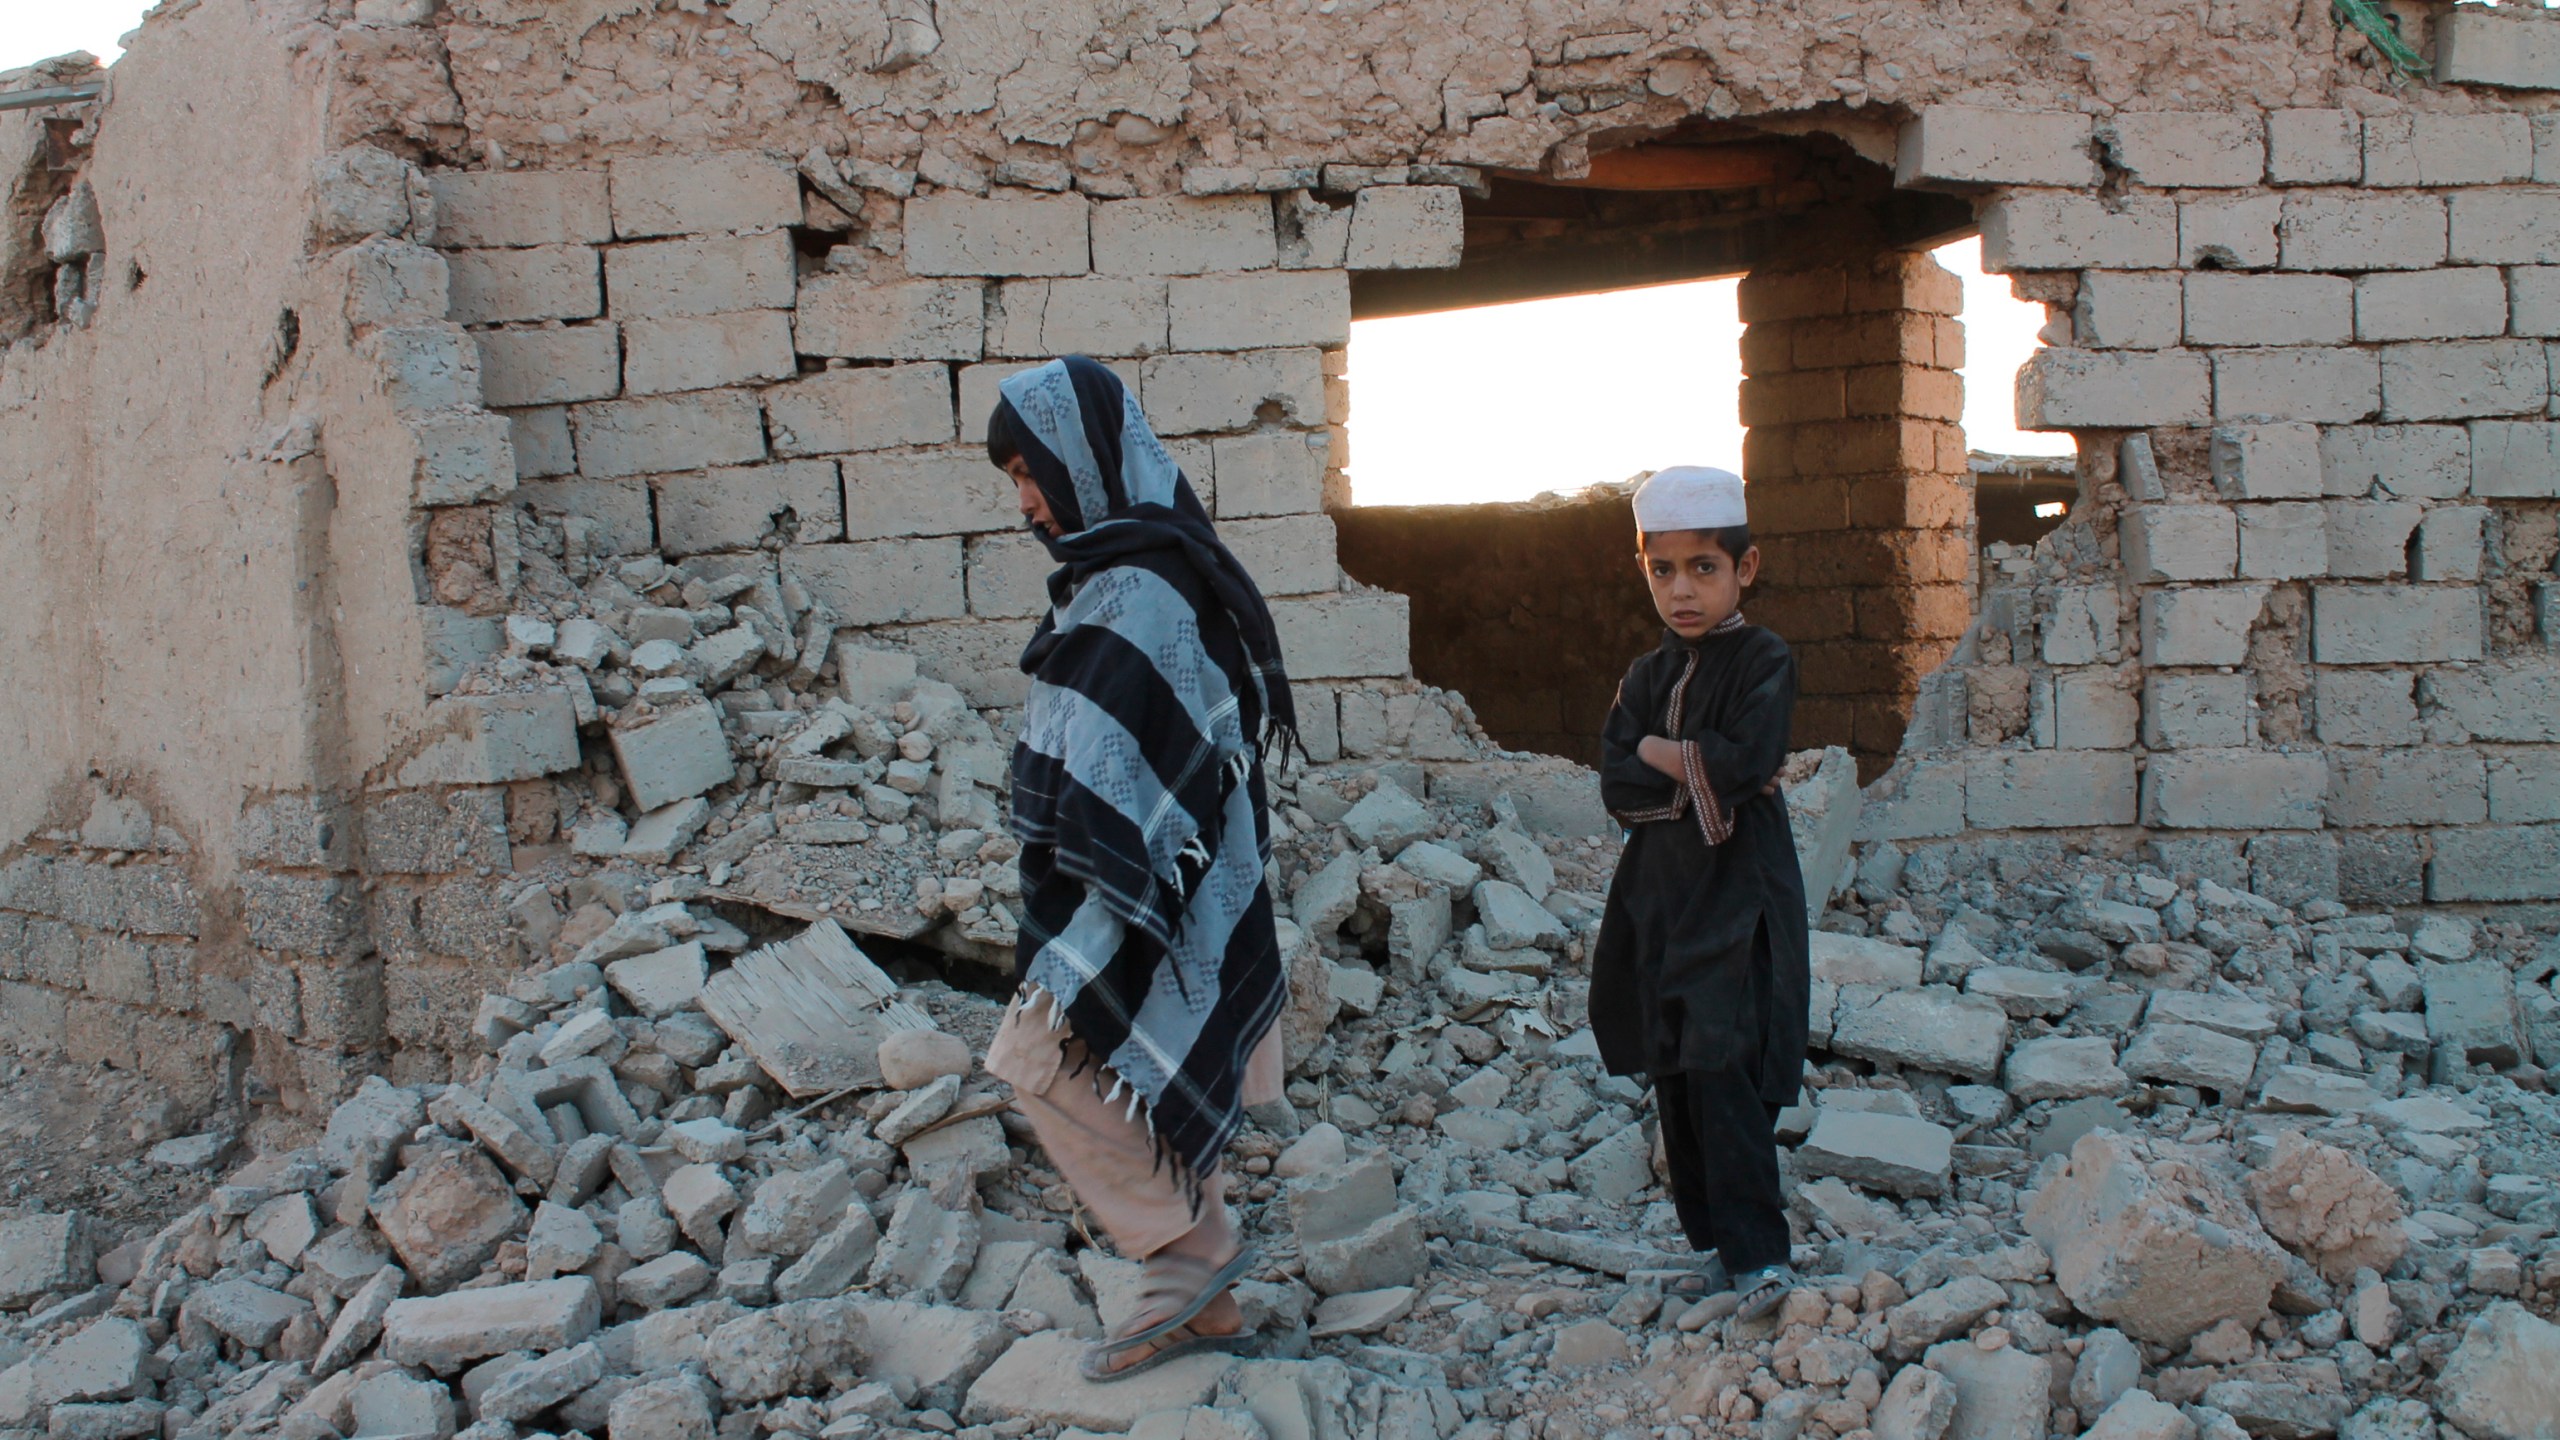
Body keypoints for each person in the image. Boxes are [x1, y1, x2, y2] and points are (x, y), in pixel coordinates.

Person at [976, 356, 1299, 1381]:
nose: (1026, 499)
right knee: (1111, 1069)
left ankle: (1186, 1260)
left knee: (1043, 1058)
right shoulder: (1121, 575)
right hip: (1138, 882)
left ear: (1083, 457)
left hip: (1148, 889)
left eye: (1034, 470)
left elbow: (1155, 756)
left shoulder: (1143, 586)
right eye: (1014, 478)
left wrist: (1106, 855)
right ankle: (1200, 1302)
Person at [1590, 464, 1810, 1324]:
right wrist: (1678, 756)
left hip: (1740, 887)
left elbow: (1746, 760)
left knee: (1727, 1060)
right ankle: (1716, 1251)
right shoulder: (1646, 673)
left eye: (1703, 569)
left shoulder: (1764, 658)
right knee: (1675, 1064)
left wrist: (1661, 753)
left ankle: (1763, 1258)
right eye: (1662, 570)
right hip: (1660, 894)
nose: (1682, 589)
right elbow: (1615, 780)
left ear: (1744, 570)